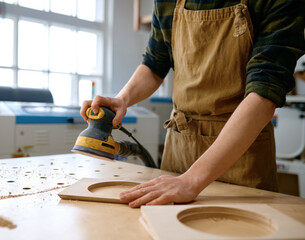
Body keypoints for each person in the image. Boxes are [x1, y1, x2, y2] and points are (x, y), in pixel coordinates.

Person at [81, 0, 305, 208]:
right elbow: (154, 63)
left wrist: (191, 180)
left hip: (241, 154)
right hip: (180, 149)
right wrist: (122, 98)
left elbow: (264, 92)